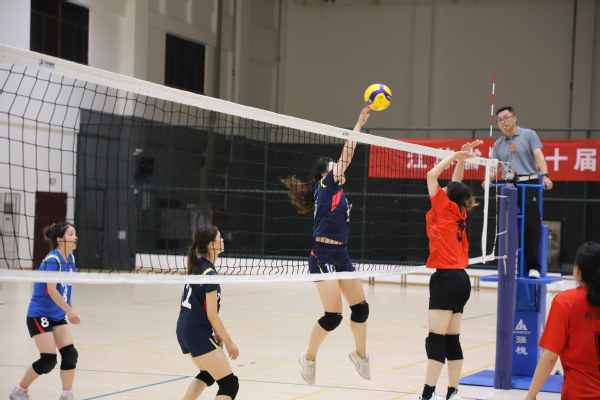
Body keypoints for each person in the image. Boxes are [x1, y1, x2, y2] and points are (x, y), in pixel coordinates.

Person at [281, 106, 372, 385]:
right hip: (322, 256)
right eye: (333, 165)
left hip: (341, 255)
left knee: (361, 309)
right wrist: (359, 124)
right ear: (324, 174)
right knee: (333, 317)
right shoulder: (328, 184)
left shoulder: (339, 193)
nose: (338, 167)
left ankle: (360, 355)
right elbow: (348, 154)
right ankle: (308, 357)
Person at [419, 141, 483, 400]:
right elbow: (455, 183)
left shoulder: (442, 206)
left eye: (446, 189)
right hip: (461, 280)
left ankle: (427, 395)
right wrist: (460, 161)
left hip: (446, 278)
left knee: (435, 340)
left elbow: (431, 175)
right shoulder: (459, 210)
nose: (443, 187)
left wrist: (453, 155)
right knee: (451, 339)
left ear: (447, 195)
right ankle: (453, 392)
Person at [10, 222, 81, 400]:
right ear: (60, 240)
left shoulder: (70, 259)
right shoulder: (52, 260)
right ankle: (19, 390)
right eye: (71, 234)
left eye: (75, 234)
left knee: (70, 355)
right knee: (48, 360)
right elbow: (52, 290)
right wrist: (69, 311)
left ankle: (66, 395)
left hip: (57, 315)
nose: (75, 237)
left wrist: (72, 309)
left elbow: (66, 288)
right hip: (39, 315)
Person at [524, 241, 600, 400]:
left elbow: (550, 357)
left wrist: (531, 396)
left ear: (577, 270)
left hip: (580, 395)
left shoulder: (566, 302)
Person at [176, 225, 240, 400]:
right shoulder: (208, 273)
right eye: (220, 237)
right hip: (196, 332)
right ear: (212, 244)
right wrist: (229, 342)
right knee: (229, 384)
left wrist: (216, 332)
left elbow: (201, 307)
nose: (223, 240)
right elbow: (212, 315)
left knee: (207, 374)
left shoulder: (198, 266)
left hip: (184, 330)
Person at [489, 106, 553, 279]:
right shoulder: (498, 144)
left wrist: (546, 176)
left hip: (528, 183)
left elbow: (539, 156)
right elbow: (494, 168)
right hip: (509, 185)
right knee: (504, 224)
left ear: (514, 118)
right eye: (500, 120)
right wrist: (488, 178)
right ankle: (505, 263)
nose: (503, 122)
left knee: (531, 225)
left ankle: (533, 267)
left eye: (506, 117)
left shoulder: (529, 135)